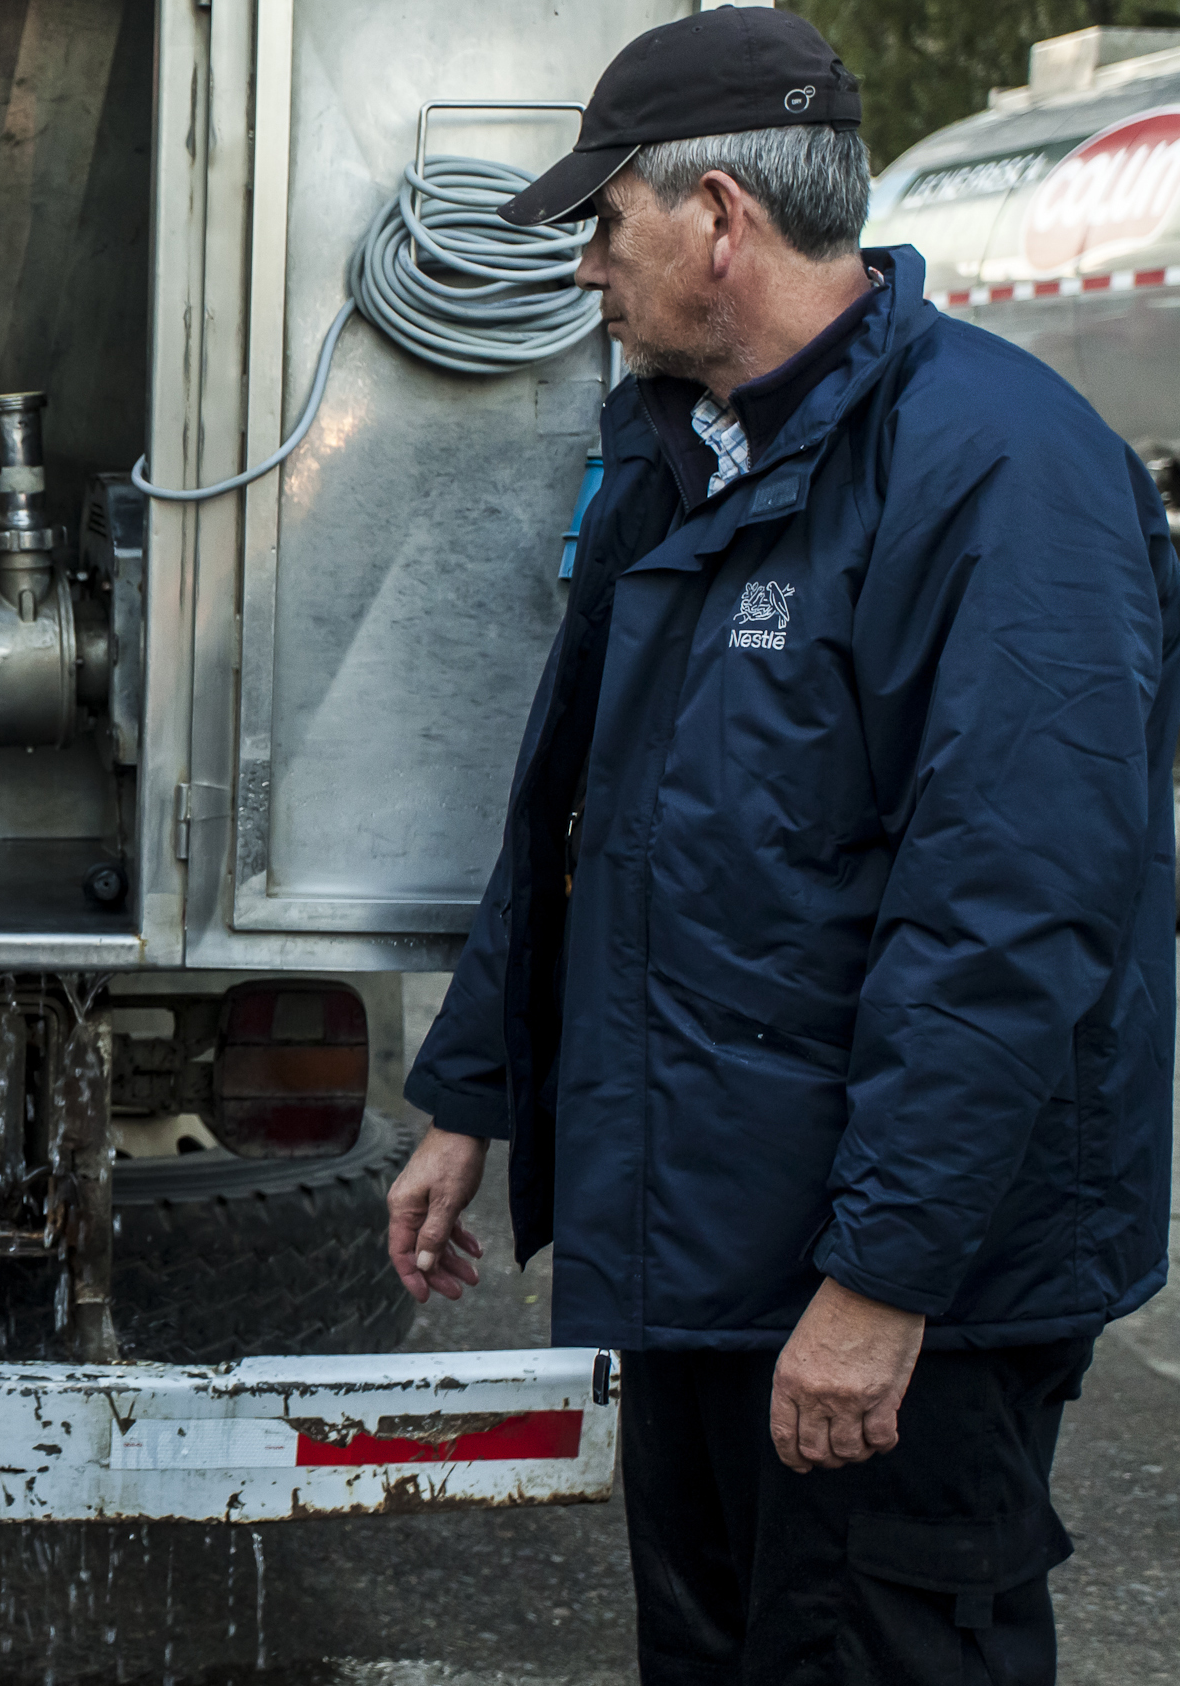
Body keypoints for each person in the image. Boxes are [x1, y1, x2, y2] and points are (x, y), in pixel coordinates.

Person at [387, 11, 1177, 1683]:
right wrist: (474, 1093)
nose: (587, 268)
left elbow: (1010, 923)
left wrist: (881, 1279)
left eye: (606, 223)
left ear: (721, 219)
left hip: (901, 1295)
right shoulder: (678, 454)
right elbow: (580, 813)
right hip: (711, 1249)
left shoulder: (1004, 476)